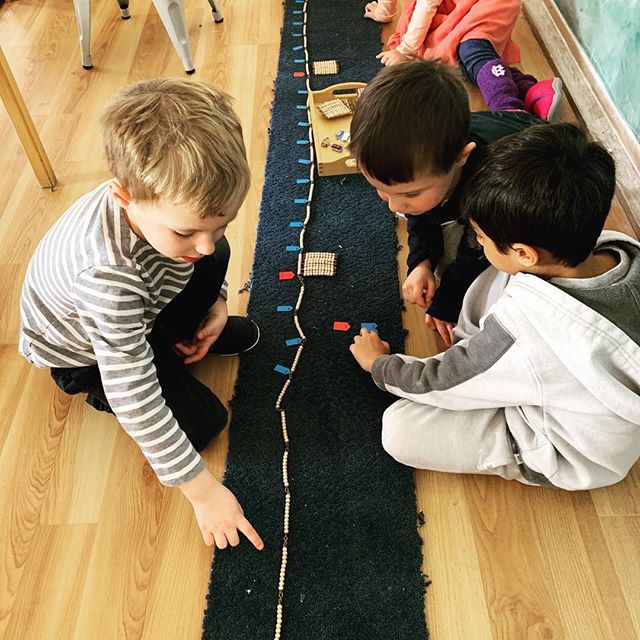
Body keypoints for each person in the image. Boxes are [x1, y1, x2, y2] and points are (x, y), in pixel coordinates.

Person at [19, 79, 264, 551]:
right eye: (188, 230)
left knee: (211, 257)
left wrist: (216, 302)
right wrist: (202, 493)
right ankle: (97, 389)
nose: (206, 239)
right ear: (125, 197)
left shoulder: (164, 205)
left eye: (222, 221)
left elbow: (202, 245)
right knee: (204, 425)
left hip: (140, 304)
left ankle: (179, 328)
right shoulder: (106, 277)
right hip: (85, 354)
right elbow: (135, 390)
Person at [350, 122, 640, 490]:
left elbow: (444, 378)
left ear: (524, 253)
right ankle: (499, 374)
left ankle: (505, 397)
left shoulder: (530, 329)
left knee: (399, 429)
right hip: (583, 397)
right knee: (490, 281)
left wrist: (380, 365)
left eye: (482, 238)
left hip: (569, 449)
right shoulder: (618, 249)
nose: (478, 244)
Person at [350, 58, 543, 347]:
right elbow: (420, 212)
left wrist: (447, 303)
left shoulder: (488, 186)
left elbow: (473, 251)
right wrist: (420, 262)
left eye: (410, 193)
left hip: (529, 154)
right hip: (493, 128)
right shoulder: (428, 167)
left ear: (460, 158)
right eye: (381, 189)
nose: (393, 206)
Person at [363, 0, 562, 122]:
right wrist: (382, 13)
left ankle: (509, 112)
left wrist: (404, 50)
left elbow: (426, 6)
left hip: (490, 4)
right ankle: (531, 90)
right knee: (462, 58)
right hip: (459, 7)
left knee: (471, 49)